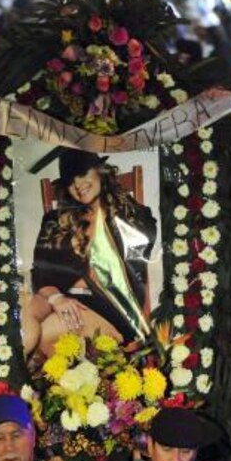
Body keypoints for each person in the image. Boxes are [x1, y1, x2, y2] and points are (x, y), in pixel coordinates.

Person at [25, 149, 157, 357]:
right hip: (61, 299)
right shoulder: (55, 220)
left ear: (100, 171)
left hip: (109, 309)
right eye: (70, 181)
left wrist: (110, 209)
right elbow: (40, 273)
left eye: (82, 174)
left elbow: (138, 262)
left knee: (47, 331)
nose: (77, 185)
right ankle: (10, 377)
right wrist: (57, 298)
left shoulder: (130, 216)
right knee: (24, 310)